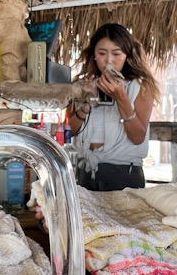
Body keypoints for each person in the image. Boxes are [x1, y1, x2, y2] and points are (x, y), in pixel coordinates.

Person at [66, 23, 160, 191]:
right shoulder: (81, 85)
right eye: (102, 53)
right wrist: (85, 105)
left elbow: (138, 137)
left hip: (123, 171)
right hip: (84, 169)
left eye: (116, 54)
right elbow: (69, 132)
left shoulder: (140, 86)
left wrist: (121, 98)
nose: (108, 60)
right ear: (94, 54)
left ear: (127, 56)